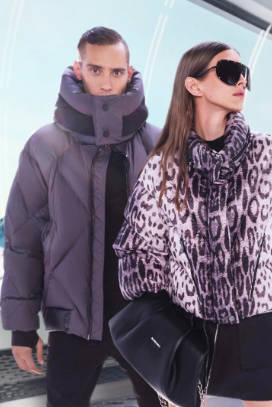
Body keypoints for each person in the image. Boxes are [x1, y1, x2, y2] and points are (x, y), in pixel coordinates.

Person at [113, 41, 272, 407]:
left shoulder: (269, 154)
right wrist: (157, 320)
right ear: (193, 85)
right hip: (185, 330)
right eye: (229, 72)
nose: (241, 80)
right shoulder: (163, 167)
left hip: (257, 329)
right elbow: (141, 247)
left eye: (244, 73)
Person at [0, 27, 161, 406]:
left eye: (116, 72)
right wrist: (22, 327)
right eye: (95, 69)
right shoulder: (45, 145)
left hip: (146, 319)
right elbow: (23, 241)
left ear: (129, 73)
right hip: (72, 323)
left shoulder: (158, 144)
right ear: (78, 69)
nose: (106, 83)